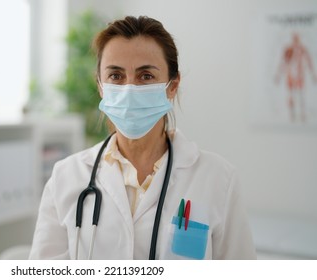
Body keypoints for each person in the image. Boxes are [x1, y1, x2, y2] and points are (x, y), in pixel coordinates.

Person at [29, 15, 256, 260]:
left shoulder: (218, 179)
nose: (129, 89)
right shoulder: (65, 177)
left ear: (173, 85)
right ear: (100, 86)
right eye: (116, 76)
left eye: (145, 76)